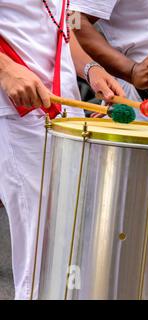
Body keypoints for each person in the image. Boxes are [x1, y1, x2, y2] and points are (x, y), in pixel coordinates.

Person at [0, 0, 124, 300]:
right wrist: (5, 70)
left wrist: (92, 70)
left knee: (69, 246)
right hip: (18, 111)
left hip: (63, 109)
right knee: (42, 254)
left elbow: (60, 26)